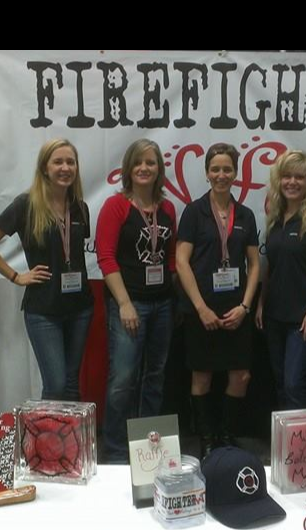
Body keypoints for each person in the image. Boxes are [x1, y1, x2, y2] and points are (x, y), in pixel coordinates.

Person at [0, 139, 94, 401]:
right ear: (44, 168)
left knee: (72, 384)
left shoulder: (79, 207)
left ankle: (71, 442)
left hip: (80, 307)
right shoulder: (25, 205)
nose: (65, 168)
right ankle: (49, 442)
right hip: (43, 310)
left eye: (70, 162)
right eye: (58, 161)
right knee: (56, 384)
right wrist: (16, 276)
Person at [96, 139, 177, 463]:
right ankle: (115, 450)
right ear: (128, 169)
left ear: (159, 169)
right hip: (128, 304)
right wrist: (125, 304)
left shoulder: (167, 208)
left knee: (155, 377)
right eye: (138, 163)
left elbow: (170, 259)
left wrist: (175, 301)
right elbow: (105, 258)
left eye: (151, 163)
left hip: (163, 305)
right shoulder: (116, 207)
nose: (145, 168)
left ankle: (148, 448)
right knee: (123, 379)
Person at [176, 143, 259, 455]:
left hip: (236, 308)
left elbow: (254, 266)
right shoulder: (193, 212)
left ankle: (227, 435)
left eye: (227, 169)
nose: (221, 175)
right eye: (215, 169)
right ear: (207, 172)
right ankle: (207, 440)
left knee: (241, 375)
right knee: (202, 375)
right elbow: (181, 262)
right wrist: (201, 309)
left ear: (236, 173)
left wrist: (246, 307)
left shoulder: (247, 215)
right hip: (201, 309)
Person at [256, 150, 306, 410]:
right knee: (280, 382)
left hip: (303, 318)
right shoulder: (276, 220)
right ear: (279, 180)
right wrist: (260, 303)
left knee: (294, 384)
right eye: (287, 176)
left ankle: (304, 448)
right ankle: (286, 444)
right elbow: (272, 267)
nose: (292, 182)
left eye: (299, 177)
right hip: (274, 315)